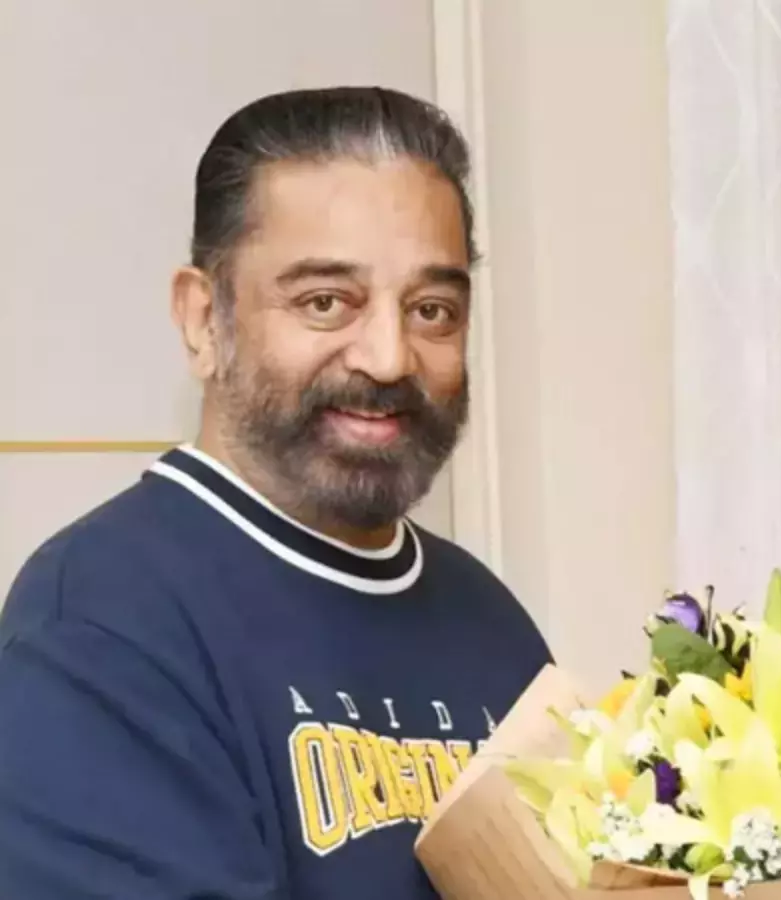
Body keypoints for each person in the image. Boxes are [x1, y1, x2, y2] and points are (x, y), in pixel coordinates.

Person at [0, 87, 552, 899]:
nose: (389, 357)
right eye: (326, 302)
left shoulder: (491, 623)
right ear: (204, 320)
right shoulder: (99, 623)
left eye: (432, 310)